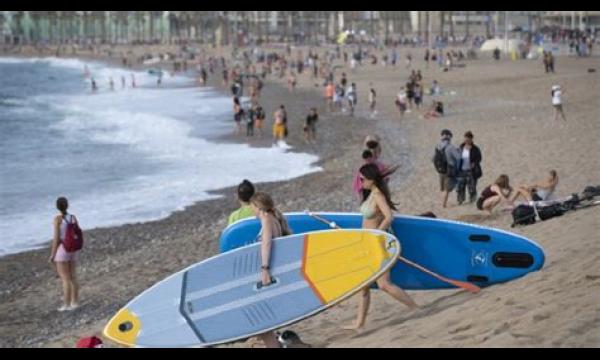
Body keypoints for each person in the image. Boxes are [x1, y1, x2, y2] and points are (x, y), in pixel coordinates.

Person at [344, 164, 418, 330]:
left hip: (377, 244)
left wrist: (378, 232)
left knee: (384, 284)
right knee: (362, 285)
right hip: (367, 244)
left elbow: (389, 217)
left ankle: (416, 309)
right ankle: (359, 324)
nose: (360, 181)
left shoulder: (378, 195)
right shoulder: (370, 194)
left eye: (362, 179)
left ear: (371, 179)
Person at [249, 192, 292, 348]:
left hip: (269, 273)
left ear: (258, 207)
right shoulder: (273, 219)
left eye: (252, 207)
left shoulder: (267, 220)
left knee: (263, 323)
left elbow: (266, 244)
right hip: (272, 272)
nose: (251, 211)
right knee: (264, 324)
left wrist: (265, 269)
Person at [49, 197, 80, 311]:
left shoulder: (57, 219)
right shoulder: (73, 218)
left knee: (65, 279)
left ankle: (66, 305)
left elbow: (56, 238)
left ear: (57, 207)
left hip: (63, 250)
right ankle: (75, 302)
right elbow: (77, 233)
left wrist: (52, 255)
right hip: (73, 249)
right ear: (67, 205)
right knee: (73, 276)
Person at [432, 129, 461, 208]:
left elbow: (432, 159)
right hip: (449, 170)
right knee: (447, 190)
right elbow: (458, 157)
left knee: (442, 188)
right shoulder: (450, 147)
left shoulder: (437, 147)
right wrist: (459, 151)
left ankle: (441, 203)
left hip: (440, 170)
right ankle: (443, 205)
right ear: (449, 137)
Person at [456, 131, 482, 205]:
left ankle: (472, 200)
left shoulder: (475, 149)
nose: (466, 140)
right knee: (460, 187)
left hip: (471, 171)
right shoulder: (461, 147)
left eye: (468, 139)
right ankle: (460, 200)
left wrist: (474, 163)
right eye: (465, 139)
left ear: (471, 139)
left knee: (472, 187)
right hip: (461, 171)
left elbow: (479, 158)